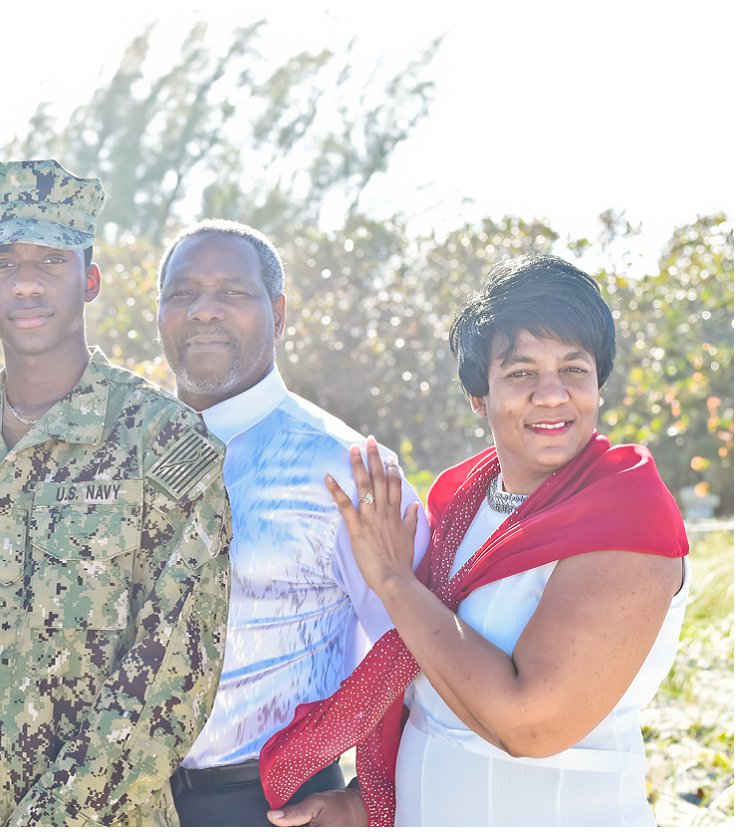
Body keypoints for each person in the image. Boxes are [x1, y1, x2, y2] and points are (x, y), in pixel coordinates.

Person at [259, 254, 689, 826]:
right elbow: (435, 683)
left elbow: (529, 722)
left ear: (599, 384)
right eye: (521, 374)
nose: (553, 394)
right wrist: (369, 799)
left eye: (575, 369)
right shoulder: (463, 496)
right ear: (478, 398)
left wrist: (392, 580)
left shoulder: (626, 513)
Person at [0, 160, 233, 826]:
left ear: (91, 279)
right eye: (3, 261)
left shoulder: (163, 442)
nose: (25, 282)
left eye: (51, 259)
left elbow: (173, 670)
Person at [150, 220, 430, 826]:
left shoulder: (348, 468)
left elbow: (420, 650)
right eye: (182, 293)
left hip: (273, 803)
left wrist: (372, 797)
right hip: (123, 805)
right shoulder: (122, 457)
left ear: (279, 313)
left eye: (232, 292)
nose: (203, 311)